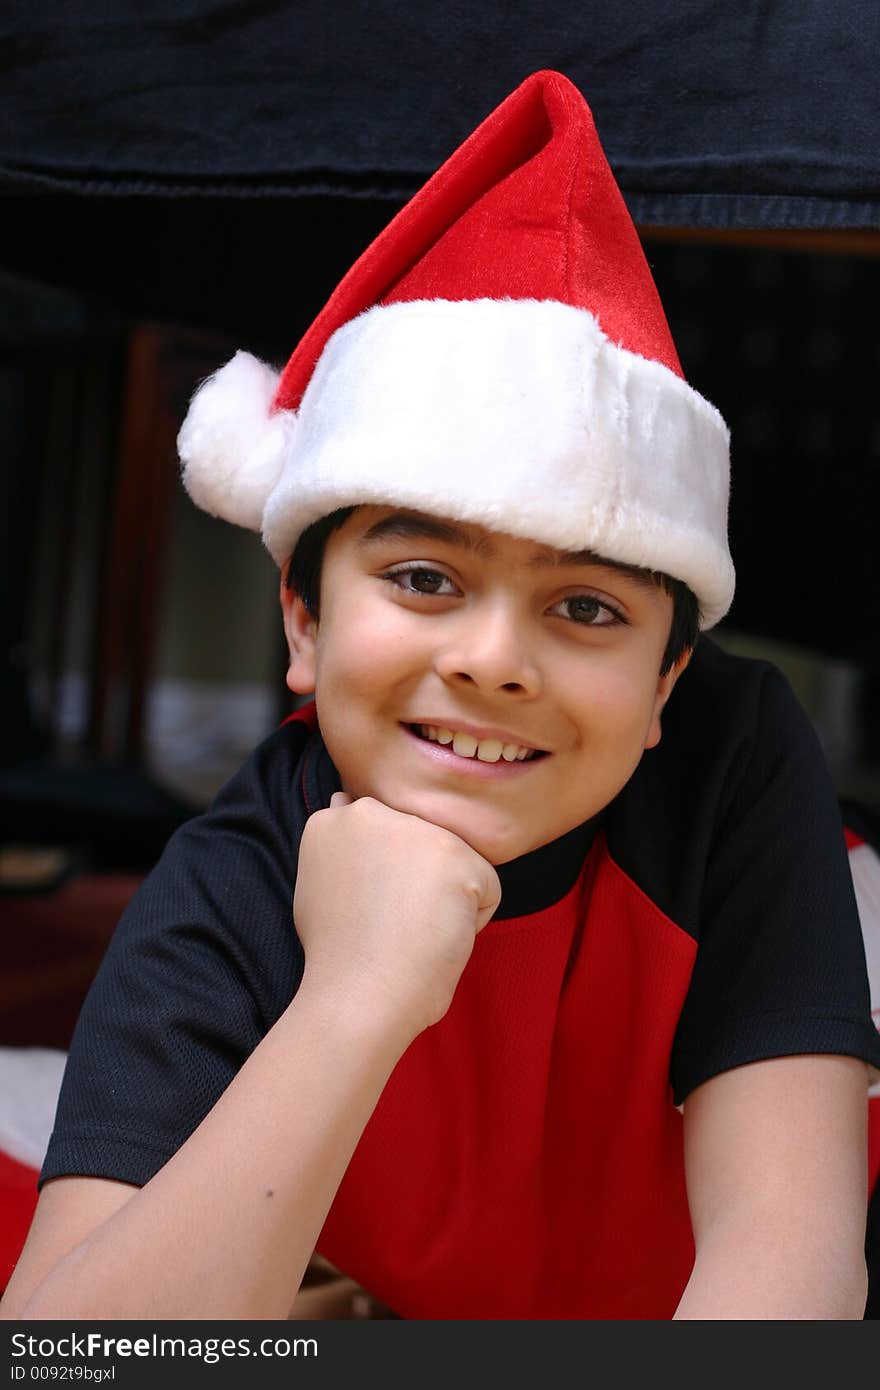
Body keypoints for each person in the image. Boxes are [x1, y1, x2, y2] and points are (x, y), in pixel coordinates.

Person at [3, 69, 879, 1322]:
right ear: (301, 620)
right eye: (422, 577)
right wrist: (352, 999)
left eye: (586, 608)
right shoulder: (233, 876)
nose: (492, 659)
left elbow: (782, 1275)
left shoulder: (732, 768)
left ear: (664, 684)